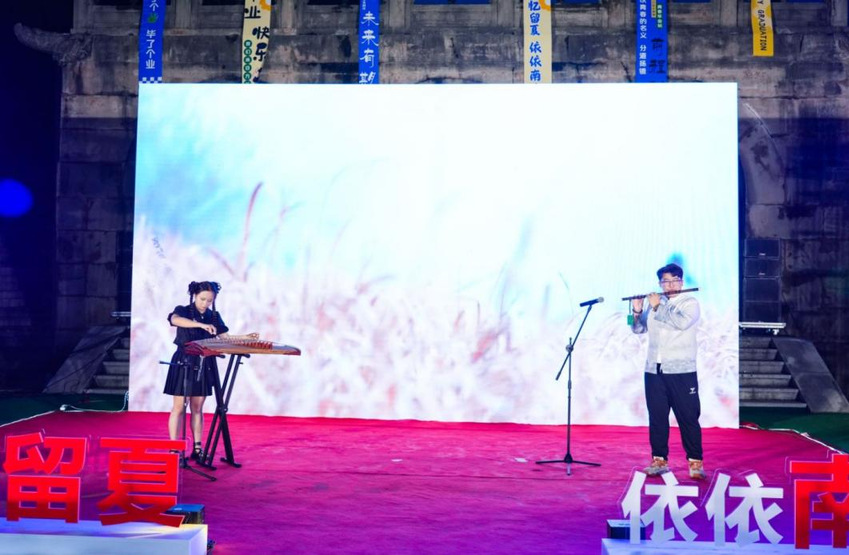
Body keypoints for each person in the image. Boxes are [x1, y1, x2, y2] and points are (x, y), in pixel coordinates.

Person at [164, 281, 258, 460]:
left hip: (204, 363)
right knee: (179, 407)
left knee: (197, 407)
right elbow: (174, 320)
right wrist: (200, 325)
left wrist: (246, 337)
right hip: (184, 360)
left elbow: (226, 338)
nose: (205, 303)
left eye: (209, 300)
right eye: (202, 299)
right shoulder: (183, 310)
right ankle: (174, 449)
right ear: (194, 296)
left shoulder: (213, 316)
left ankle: (197, 448)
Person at [630, 263, 705, 480]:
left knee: (688, 417)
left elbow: (680, 323)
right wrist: (637, 310)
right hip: (654, 370)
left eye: (674, 280)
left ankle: (695, 462)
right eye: (665, 281)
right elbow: (638, 329)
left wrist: (656, 307)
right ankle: (659, 460)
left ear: (681, 281)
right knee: (657, 417)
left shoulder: (690, 303)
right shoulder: (656, 303)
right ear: (660, 284)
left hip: (682, 370)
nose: (670, 285)